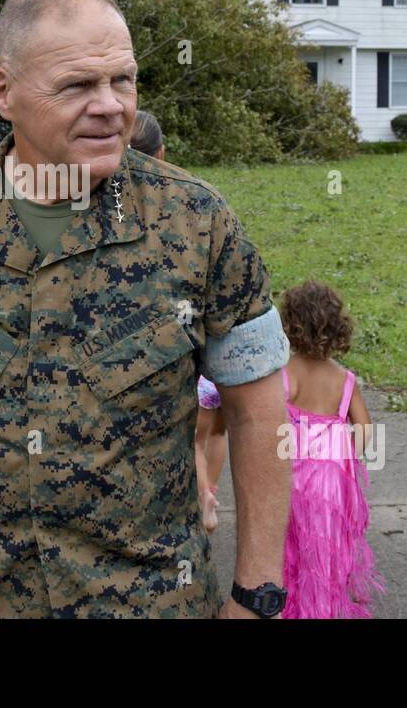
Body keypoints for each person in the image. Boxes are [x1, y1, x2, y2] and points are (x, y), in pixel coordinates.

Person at [0, 0, 293, 618]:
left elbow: (259, 407)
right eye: (77, 85)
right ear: (4, 93)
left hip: (149, 601)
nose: (110, 106)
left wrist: (258, 593)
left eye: (123, 81)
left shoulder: (197, 222)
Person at [131, 110, 226, 533]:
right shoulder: (199, 207)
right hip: (201, 356)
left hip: (148, 360)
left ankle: (185, 497)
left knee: (181, 439)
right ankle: (208, 493)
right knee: (211, 435)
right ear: (163, 154)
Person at [277, 280, 383, 619]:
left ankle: (295, 609)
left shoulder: (285, 374)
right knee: (327, 553)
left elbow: (271, 425)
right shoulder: (344, 378)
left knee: (294, 552)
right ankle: (323, 609)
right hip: (332, 484)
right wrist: (342, 456)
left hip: (292, 479)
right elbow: (365, 429)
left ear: (289, 326)